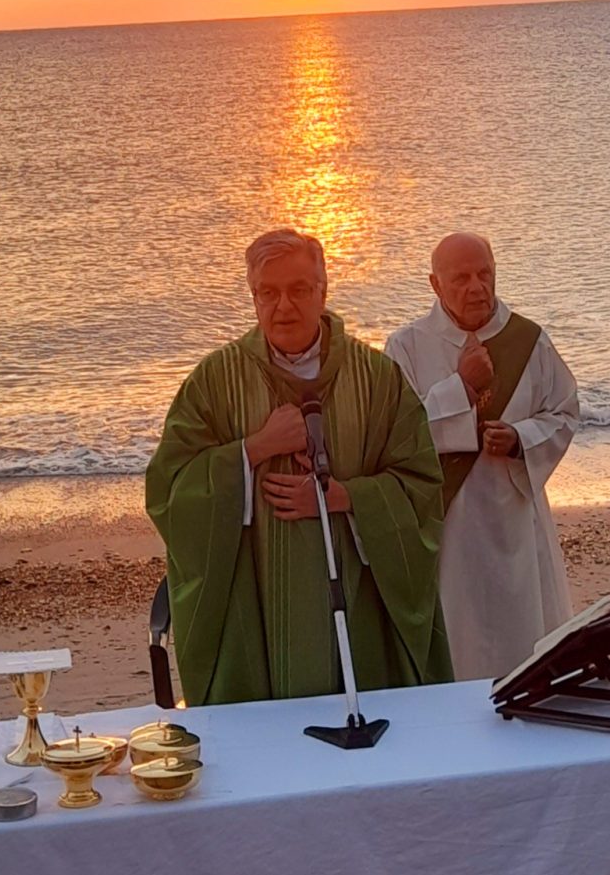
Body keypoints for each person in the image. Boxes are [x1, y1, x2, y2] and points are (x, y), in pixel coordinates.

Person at [146, 227, 453, 705]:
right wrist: (252, 450)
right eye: (267, 293)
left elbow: (422, 486)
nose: (283, 306)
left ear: (323, 291)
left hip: (359, 600)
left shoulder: (377, 379)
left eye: (298, 290)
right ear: (253, 297)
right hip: (255, 606)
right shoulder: (215, 381)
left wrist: (346, 498)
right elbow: (168, 491)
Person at [385, 230, 580, 680]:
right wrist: (461, 389)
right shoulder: (407, 346)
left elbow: (564, 412)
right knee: (460, 641)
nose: (476, 287)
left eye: (484, 274)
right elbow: (395, 436)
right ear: (435, 284)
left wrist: (520, 438)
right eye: (461, 278)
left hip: (515, 518)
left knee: (525, 639)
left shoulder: (528, 340)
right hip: (450, 525)